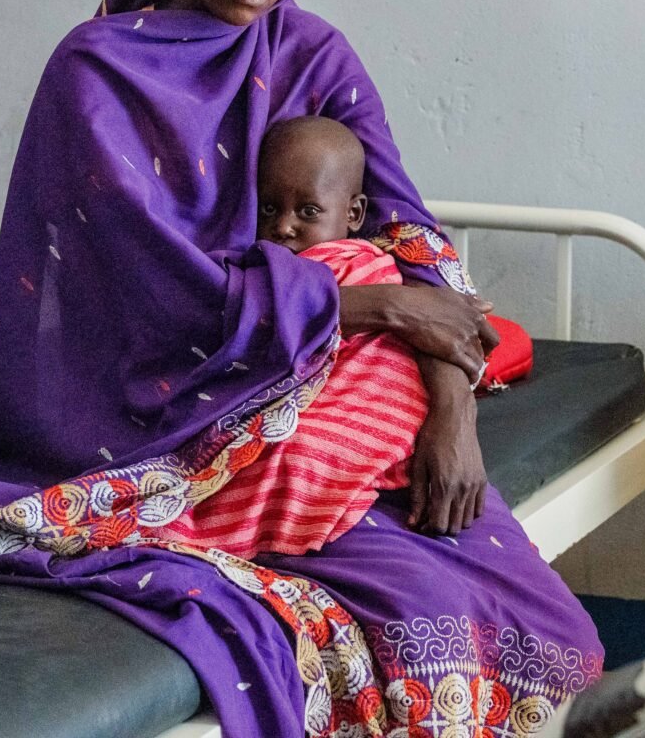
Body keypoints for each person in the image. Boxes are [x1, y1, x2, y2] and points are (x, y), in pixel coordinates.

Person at [0, 0, 602, 738]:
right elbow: (145, 284)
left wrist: (453, 421)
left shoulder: (315, 59)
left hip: (318, 376)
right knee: (407, 594)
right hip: (143, 401)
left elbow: (418, 245)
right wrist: (374, 303)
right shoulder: (97, 68)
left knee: (533, 616)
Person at [159, 114, 447, 557]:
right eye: (269, 209)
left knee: (299, 455)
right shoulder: (258, 273)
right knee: (268, 451)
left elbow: (383, 361)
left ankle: (222, 531)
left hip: (355, 415)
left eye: (308, 211)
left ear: (354, 214)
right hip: (295, 416)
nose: (284, 227)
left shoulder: (372, 268)